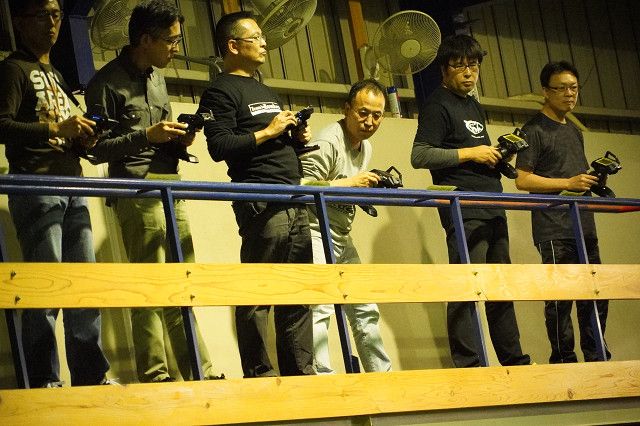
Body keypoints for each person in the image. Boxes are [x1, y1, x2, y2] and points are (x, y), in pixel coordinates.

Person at [85, 0, 217, 383]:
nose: (176, 48)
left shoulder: (158, 77)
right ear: (145, 40)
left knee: (182, 284)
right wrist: (147, 135)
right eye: (171, 41)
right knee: (149, 288)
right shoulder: (105, 83)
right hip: (136, 190)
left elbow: (161, 133)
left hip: (170, 185)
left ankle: (201, 374)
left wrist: (180, 139)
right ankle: (155, 376)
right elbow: (95, 150)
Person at [0, 0, 111, 387]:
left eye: (56, 15)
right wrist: (55, 129)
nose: (52, 23)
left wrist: (82, 137)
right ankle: (43, 381)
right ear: (20, 21)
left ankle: (90, 375)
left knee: (83, 287)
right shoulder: (13, 69)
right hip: (37, 185)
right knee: (45, 289)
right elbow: (2, 125)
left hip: (72, 184)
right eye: (42, 14)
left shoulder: (57, 74)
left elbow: (63, 130)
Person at [198, 11, 314, 378]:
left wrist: (295, 139)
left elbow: (271, 140)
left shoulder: (264, 88)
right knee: (258, 292)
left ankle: (301, 373)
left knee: (298, 293)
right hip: (261, 200)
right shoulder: (219, 90)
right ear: (233, 46)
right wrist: (269, 131)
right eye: (256, 37)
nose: (264, 43)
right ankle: (260, 374)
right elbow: (219, 146)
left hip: (294, 197)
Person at [410, 34, 530, 368]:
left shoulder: (473, 104)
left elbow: (479, 154)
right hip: (463, 206)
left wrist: (497, 156)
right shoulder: (437, 105)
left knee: (499, 285)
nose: (468, 72)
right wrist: (472, 152)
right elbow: (420, 155)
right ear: (444, 69)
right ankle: (469, 364)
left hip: (492, 202)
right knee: (466, 284)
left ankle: (514, 361)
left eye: (474, 65)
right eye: (460, 65)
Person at [515, 61, 610, 363]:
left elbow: (573, 175)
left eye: (574, 88)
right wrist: (568, 183)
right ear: (546, 91)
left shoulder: (575, 131)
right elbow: (522, 179)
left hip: (584, 224)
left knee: (595, 293)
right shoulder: (533, 130)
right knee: (560, 300)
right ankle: (563, 360)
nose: (569, 94)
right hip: (553, 228)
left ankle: (596, 356)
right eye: (562, 88)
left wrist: (590, 180)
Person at [300, 79, 392, 373]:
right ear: (347, 109)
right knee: (321, 307)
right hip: (314, 231)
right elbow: (301, 186)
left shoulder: (366, 147)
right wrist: (350, 183)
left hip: (341, 234)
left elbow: (344, 189)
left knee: (365, 307)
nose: (369, 122)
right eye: (363, 113)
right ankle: (322, 379)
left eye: (377, 115)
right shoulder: (329, 142)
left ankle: (382, 377)